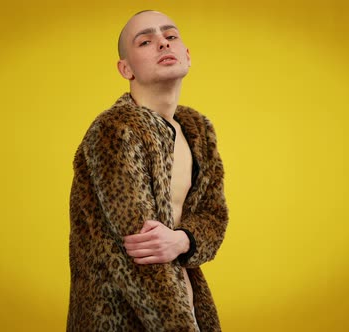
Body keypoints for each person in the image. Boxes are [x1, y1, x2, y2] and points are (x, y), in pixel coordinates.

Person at [67, 10, 229, 332]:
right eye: (145, 41)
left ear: (187, 55)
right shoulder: (116, 129)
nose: (162, 44)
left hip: (186, 301)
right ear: (125, 68)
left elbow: (214, 217)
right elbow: (143, 252)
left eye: (170, 37)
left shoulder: (198, 131)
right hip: (120, 316)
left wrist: (183, 240)